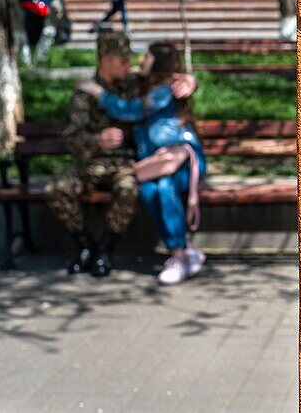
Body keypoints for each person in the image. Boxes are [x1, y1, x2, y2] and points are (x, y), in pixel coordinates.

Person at [45, 31, 197, 277]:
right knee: (56, 189)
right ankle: (85, 245)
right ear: (106, 60)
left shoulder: (135, 85)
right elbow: (72, 138)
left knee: (129, 189)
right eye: (123, 60)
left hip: (124, 163)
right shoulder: (85, 92)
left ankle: (105, 250)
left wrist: (190, 80)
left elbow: (165, 80)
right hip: (90, 164)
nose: (130, 64)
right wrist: (98, 140)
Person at [78, 42, 207, 286]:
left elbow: (129, 110)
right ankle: (183, 252)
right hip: (157, 162)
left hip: (183, 160)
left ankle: (179, 254)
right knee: (149, 190)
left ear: (157, 61)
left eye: (146, 56)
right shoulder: (149, 84)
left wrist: (96, 91)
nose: (140, 61)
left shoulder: (163, 90)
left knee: (165, 187)